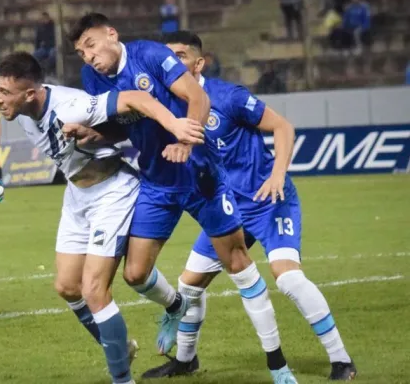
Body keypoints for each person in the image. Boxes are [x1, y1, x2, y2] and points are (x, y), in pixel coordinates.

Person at [68, 13, 297, 384]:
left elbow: (198, 96)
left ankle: (278, 365)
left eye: (91, 45)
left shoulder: (151, 55)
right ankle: (176, 306)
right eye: (80, 52)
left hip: (199, 176)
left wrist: (185, 142)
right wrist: (92, 134)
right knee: (136, 274)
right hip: (157, 182)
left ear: (112, 34)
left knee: (238, 264)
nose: (88, 56)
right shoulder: (90, 78)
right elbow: (121, 122)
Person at [141, 31, 357, 381]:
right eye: (166, 57)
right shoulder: (169, 107)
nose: (170, 63)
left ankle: (341, 360)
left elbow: (282, 126)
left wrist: (277, 174)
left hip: (268, 200)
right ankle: (185, 360)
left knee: (289, 279)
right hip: (226, 209)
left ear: (199, 63)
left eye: (179, 56)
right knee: (189, 286)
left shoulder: (228, 96)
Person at [0, 51, 204, 384]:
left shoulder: (71, 106)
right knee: (66, 287)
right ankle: (122, 346)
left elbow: (135, 98)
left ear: (30, 93)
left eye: (4, 92)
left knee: (94, 289)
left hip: (112, 192)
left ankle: (122, 378)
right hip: (77, 197)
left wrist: (176, 125)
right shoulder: (20, 114)